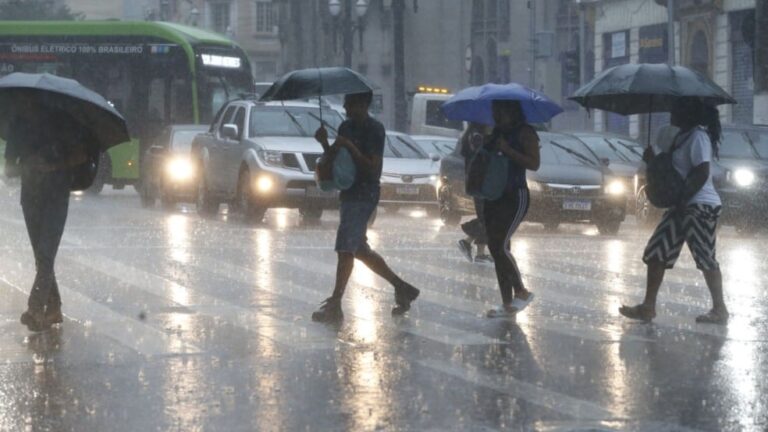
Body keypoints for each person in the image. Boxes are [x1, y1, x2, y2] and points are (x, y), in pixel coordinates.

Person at [311, 91, 420, 323]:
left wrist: (349, 146)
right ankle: (402, 288)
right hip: (348, 192)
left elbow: (372, 166)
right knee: (357, 248)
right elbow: (337, 160)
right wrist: (325, 144)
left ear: (363, 104)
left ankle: (335, 303)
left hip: (365, 194)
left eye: (350, 104)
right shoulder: (345, 127)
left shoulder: (375, 129)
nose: (346, 108)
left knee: (345, 248)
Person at [620, 98, 729, 325]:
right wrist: (653, 161)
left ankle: (720, 309)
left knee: (705, 256)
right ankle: (648, 306)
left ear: (688, 112)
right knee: (657, 251)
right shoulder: (681, 137)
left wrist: (682, 200)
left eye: (677, 108)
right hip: (681, 206)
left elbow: (701, 172)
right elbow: (671, 171)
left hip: (700, 206)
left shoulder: (698, 137)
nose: (672, 112)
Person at [4, 93, 87, 332]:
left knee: (46, 254)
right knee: (42, 257)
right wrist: (27, 164)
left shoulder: (61, 123)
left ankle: (35, 309)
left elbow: (80, 155)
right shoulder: (18, 126)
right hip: (30, 198)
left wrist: (52, 165)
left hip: (56, 197)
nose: (23, 104)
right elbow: (9, 167)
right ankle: (54, 308)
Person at [483, 100, 540, 318]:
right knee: (497, 248)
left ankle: (521, 291)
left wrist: (507, 150)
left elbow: (534, 163)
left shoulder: (525, 133)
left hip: (515, 195)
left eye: (501, 110)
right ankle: (507, 303)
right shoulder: (496, 132)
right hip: (493, 195)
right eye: (494, 111)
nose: (497, 115)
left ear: (512, 111)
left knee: (498, 245)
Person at [456, 122, 494, 265]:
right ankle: (474, 249)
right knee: (487, 218)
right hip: (481, 184)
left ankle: (475, 249)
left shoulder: (470, 136)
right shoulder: (477, 138)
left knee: (486, 218)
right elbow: (483, 159)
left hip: (477, 183)